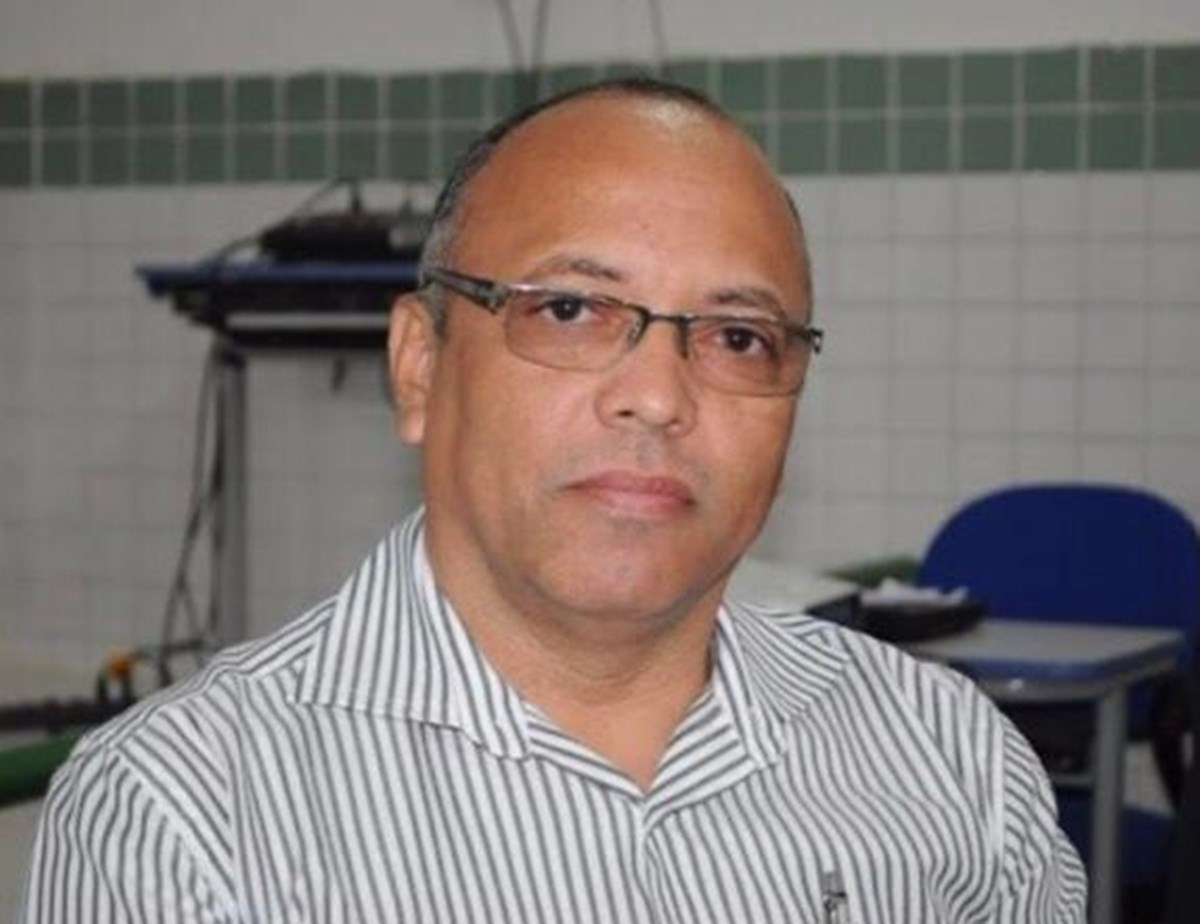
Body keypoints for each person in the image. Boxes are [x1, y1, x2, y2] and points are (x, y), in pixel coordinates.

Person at [21, 78, 1086, 922]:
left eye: (738, 337)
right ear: (419, 366)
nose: (658, 396)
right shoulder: (183, 816)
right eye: (570, 310)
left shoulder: (949, 760)